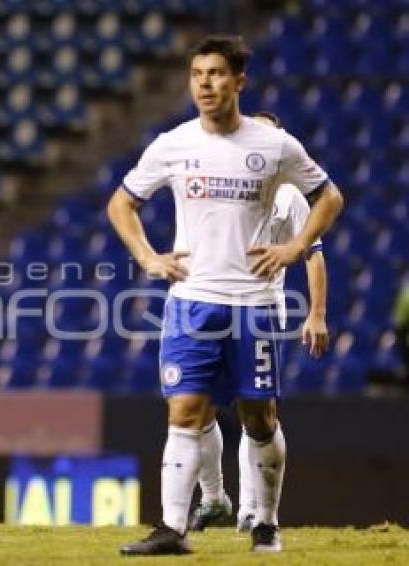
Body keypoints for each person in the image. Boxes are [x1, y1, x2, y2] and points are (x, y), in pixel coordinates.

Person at [108, 35, 343, 555]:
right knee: (184, 411)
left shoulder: (273, 145)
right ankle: (172, 528)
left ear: (239, 80)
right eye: (197, 75)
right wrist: (148, 257)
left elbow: (329, 196)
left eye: (215, 74)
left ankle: (266, 522)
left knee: (258, 416)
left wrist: (296, 246)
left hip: (253, 306)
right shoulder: (174, 143)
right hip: (191, 302)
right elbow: (122, 204)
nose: (205, 84)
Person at [189, 111, 331, 533]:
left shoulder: (289, 195)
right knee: (193, 407)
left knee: (256, 413)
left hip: (260, 311)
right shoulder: (222, 187)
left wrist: (317, 312)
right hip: (210, 306)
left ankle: (255, 512)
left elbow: (314, 253)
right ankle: (214, 499)